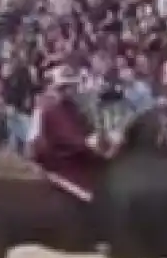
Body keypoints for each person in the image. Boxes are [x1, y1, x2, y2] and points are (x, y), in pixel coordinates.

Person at [29, 65, 112, 202]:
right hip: (61, 161)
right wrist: (88, 145)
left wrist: (97, 138)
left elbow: (85, 127)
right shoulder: (50, 109)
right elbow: (66, 139)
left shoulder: (71, 106)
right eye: (64, 87)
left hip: (77, 153)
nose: (68, 90)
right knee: (89, 195)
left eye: (70, 86)